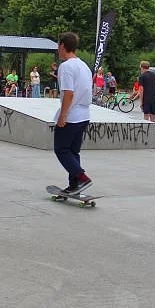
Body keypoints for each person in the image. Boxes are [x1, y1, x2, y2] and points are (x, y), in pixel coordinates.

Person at [53, 32, 93, 194]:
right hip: (85, 115)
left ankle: (82, 177)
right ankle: (75, 184)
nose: (58, 50)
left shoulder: (66, 67)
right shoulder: (84, 66)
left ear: (63, 45)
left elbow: (68, 93)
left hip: (72, 116)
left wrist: (63, 116)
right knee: (73, 152)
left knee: (61, 150)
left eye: (58, 46)